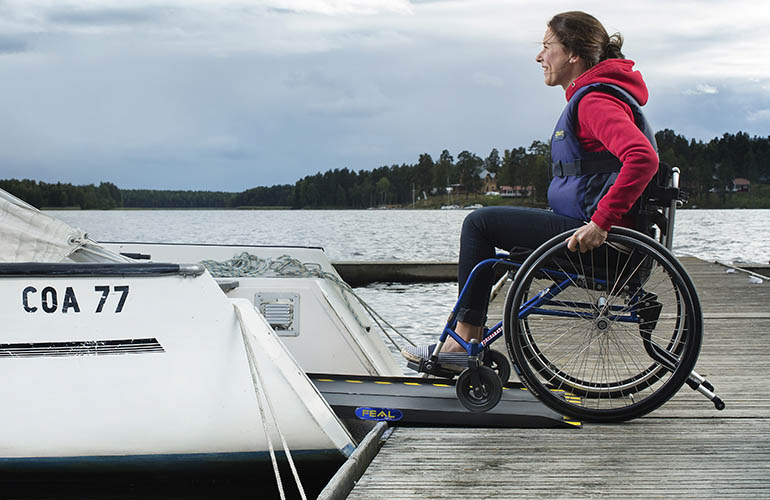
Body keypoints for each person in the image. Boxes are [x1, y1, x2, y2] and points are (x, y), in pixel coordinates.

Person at [402, 11, 659, 367]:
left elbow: (642, 157)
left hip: (601, 243)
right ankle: (462, 336)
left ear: (572, 54)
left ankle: (463, 343)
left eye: (546, 47)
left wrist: (601, 222)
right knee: (489, 243)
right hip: (594, 233)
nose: (540, 57)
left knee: (479, 224)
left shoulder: (594, 101)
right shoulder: (594, 96)